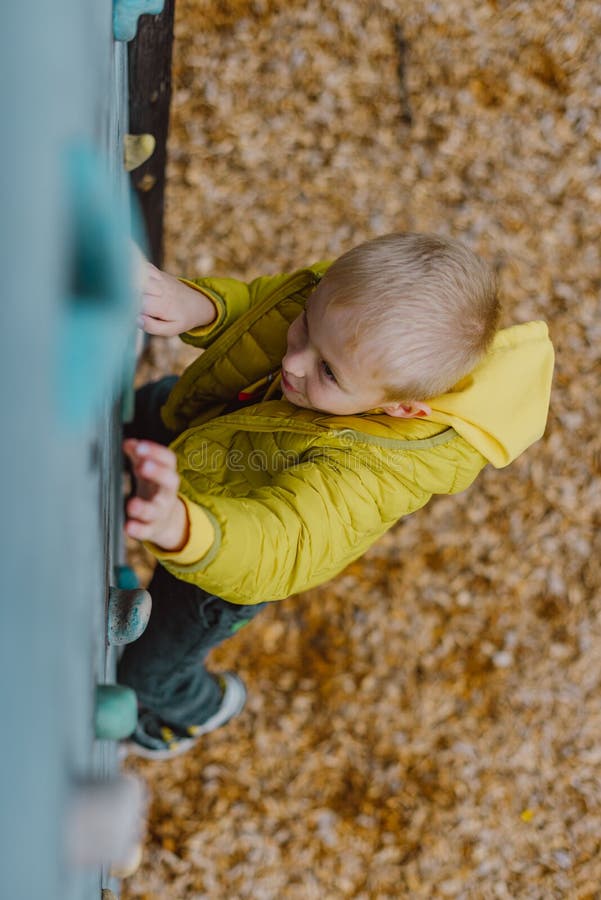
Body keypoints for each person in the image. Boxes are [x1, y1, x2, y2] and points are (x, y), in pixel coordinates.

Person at [118, 232, 554, 758]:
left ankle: (198, 710)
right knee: (148, 409)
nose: (295, 363)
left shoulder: (374, 471)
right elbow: (263, 313)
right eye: (305, 325)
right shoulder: (345, 319)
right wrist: (200, 307)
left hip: (230, 553)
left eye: (327, 371)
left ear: (402, 409)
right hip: (216, 430)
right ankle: (131, 458)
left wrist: (181, 526)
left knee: (149, 669)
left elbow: (285, 541)